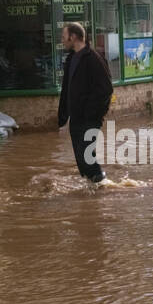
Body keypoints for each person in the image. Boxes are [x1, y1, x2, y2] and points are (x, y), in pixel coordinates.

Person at [56, 22, 113, 184]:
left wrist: (91, 112)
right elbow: (66, 90)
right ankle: (91, 192)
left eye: (64, 36)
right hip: (75, 119)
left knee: (87, 156)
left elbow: (106, 89)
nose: (62, 40)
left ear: (73, 37)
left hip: (90, 118)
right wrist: (63, 117)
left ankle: (104, 187)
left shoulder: (93, 58)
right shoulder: (71, 59)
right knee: (81, 160)